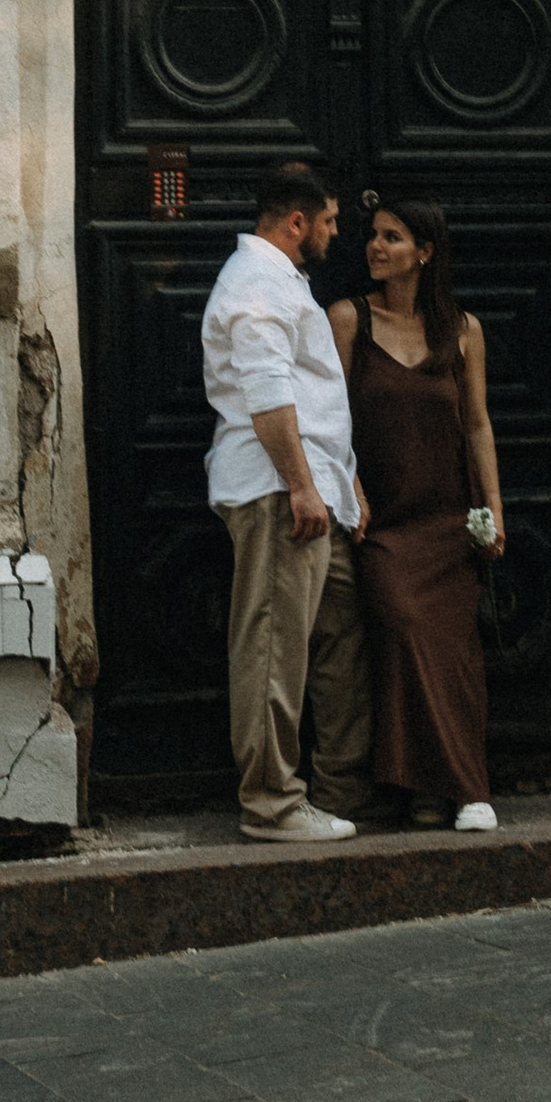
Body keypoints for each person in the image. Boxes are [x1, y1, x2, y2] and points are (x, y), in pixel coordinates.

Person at [199, 160, 372, 844]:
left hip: (312, 489)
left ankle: (337, 786)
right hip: (278, 490)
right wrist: (301, 483)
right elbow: (268, 392)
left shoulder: (281, 281)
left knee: (338, 631)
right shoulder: (257, 283)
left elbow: (311, 396)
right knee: (271, 645)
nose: (336, 234)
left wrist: (338, 481)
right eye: (330, 221)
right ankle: (271, 803)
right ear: (297, 221)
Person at [330, 199, 502, 832]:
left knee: (455, 653)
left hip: (447, 516)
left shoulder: (463, 330)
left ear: (424, 253)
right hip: (384, 522)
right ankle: (435, 782)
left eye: (392, 238)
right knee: (403, 627)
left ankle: (460, 791)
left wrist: (493, 508)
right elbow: (329, 419)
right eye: (374, 236)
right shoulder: (347, 320)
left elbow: (478, 424)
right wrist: (348, 486)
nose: (376, 247)